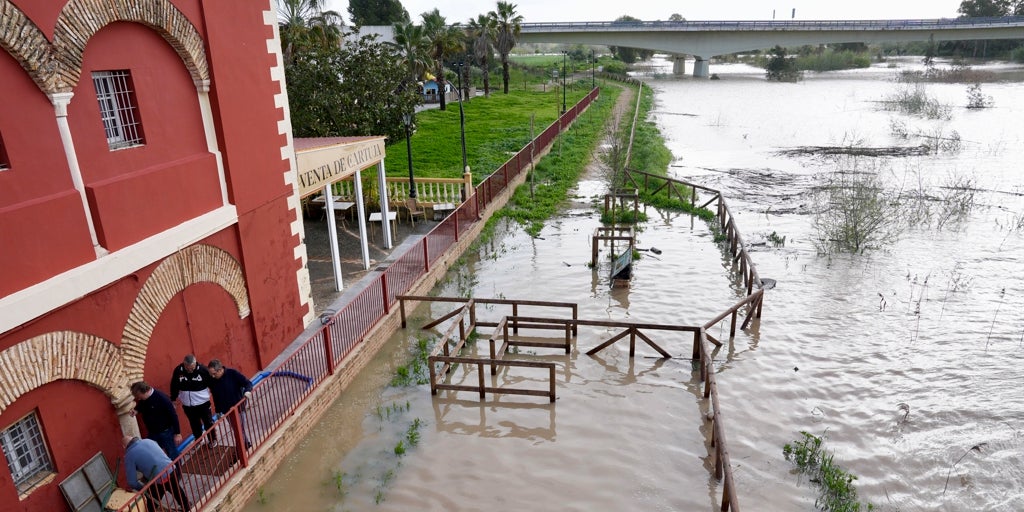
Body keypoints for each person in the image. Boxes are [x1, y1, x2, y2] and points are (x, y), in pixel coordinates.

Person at [122, 435, 191, 512]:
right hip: (171, 469)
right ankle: (186, 506)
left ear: (124, 447)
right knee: (176, 490)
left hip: (159, 478)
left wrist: (143, 489)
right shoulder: (148, 440)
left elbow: (132, 482)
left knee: (152, 501)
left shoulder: (129, 456)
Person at [169, 354, 217, 445]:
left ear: (195, 364)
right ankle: (198, 439)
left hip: (203, 403)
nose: (190, 370)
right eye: (188, 368)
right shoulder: (178, 371)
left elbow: (212, 384)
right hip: (188, 405)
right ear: (184, 364)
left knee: (208, 422)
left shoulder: (203, 370)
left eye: (192, 368)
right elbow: (174, 385)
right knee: (194, 424)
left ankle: (212, 439)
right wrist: (173, 399)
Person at [207, 359, 254, 449]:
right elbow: (216, 397)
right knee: (237, 429)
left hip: (238, 407)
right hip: (226, 410)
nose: (212, 376)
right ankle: (245, 444)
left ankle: (242, 448)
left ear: (220, 370)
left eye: (214, 373)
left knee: (239, 429)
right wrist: (218, 411)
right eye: (211, 374)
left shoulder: (233, 374)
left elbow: (247, 383)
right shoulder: (213, 381)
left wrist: (247, 391)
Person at [130, 381, 180, 458]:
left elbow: (173, 416)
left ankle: (177, 469)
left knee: (172, 453)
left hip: (165, 432)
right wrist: (136, 410)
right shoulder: (144, 399)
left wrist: (177, 433)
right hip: (152, 432)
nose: (138, 398)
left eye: (139, 396)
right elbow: (142, 404)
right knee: (153, 452)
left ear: (146, 391)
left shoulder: (162, 398)